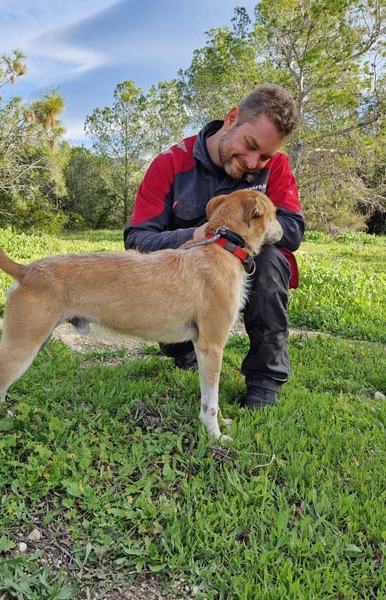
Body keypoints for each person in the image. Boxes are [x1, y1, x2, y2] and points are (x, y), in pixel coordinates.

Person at [124, 84, 305, 409]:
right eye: (249, 145)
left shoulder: (276, 166)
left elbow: (293, 229)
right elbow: (137, 240)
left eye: (264, 155)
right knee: (185, 261)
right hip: (182, 276)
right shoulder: (169, 164)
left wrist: (249, 232)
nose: (253, 162)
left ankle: (265, 379)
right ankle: (181, 347)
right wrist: (197, 236)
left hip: (244, 269)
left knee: (271, 259)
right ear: (232, 118)